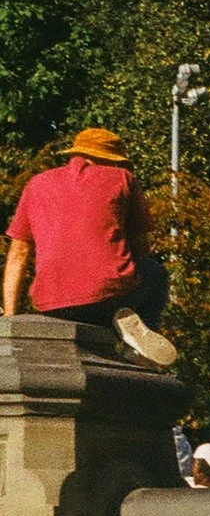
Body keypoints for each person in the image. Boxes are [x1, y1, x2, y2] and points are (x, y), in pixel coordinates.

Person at [4, 128, 177, 368]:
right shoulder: (123, 179)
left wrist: (10, 319)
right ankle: (137, 343)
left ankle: (121, 323)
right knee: (154, 272)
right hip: (110, 296)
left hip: (51, 305)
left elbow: (17, 256)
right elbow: (141, 247)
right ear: (109, 159)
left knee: (89, 297)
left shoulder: (36, 184)